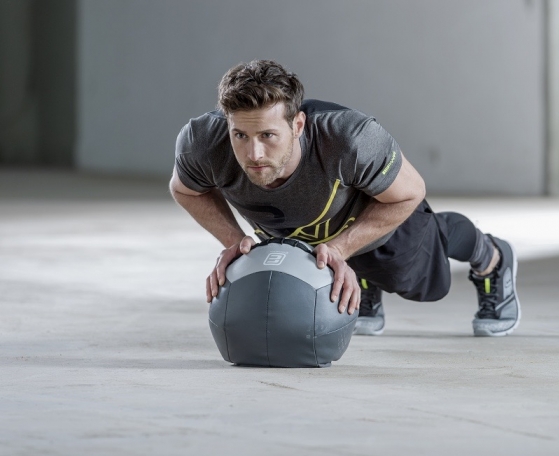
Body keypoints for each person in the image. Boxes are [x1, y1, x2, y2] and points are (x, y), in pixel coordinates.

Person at [170, 59, 521, 337]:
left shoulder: (350, 139)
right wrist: (235, 241)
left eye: (267, 135)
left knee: (417, 281)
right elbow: (184, 189)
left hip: (376, 219)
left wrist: (341, 249)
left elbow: (411, 192)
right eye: (241, 135)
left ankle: (492, 256)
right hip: (311, 236)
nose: (254, 153)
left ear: (298, 125)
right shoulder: (202, 143)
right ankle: (362, 277)